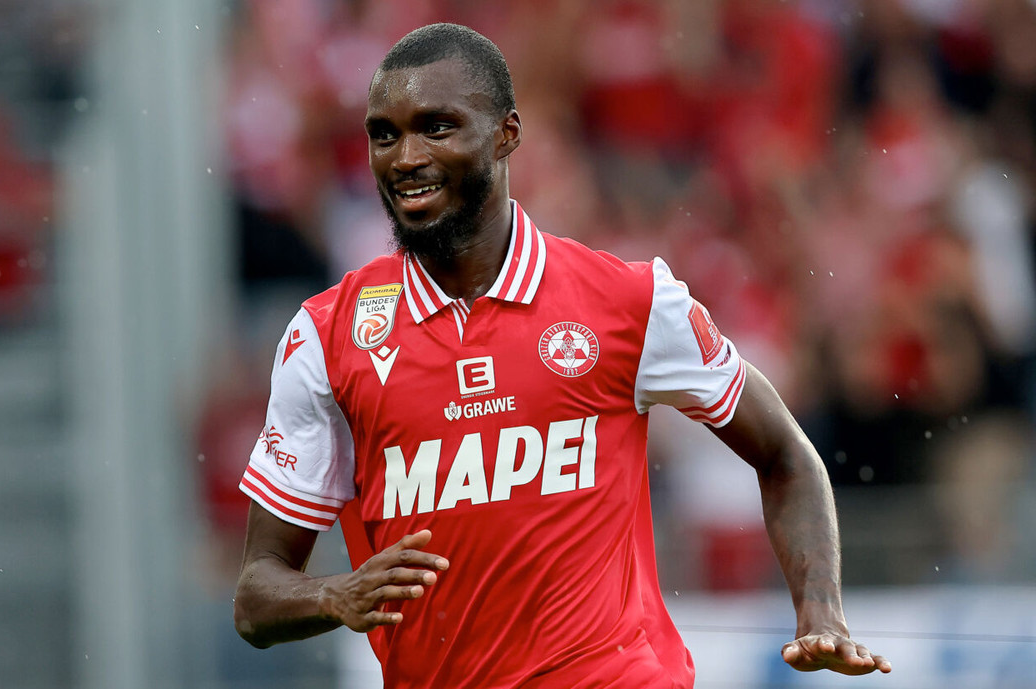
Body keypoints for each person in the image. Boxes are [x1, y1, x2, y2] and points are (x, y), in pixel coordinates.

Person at [233, 22, 892, 688]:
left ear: (506, 134)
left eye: (436, 128)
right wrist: (335, 594)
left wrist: (821, 610)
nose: (406, 157)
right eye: (384, 135)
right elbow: (257, 595)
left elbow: (785, 452)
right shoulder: (328, 335)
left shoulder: (630, 300)